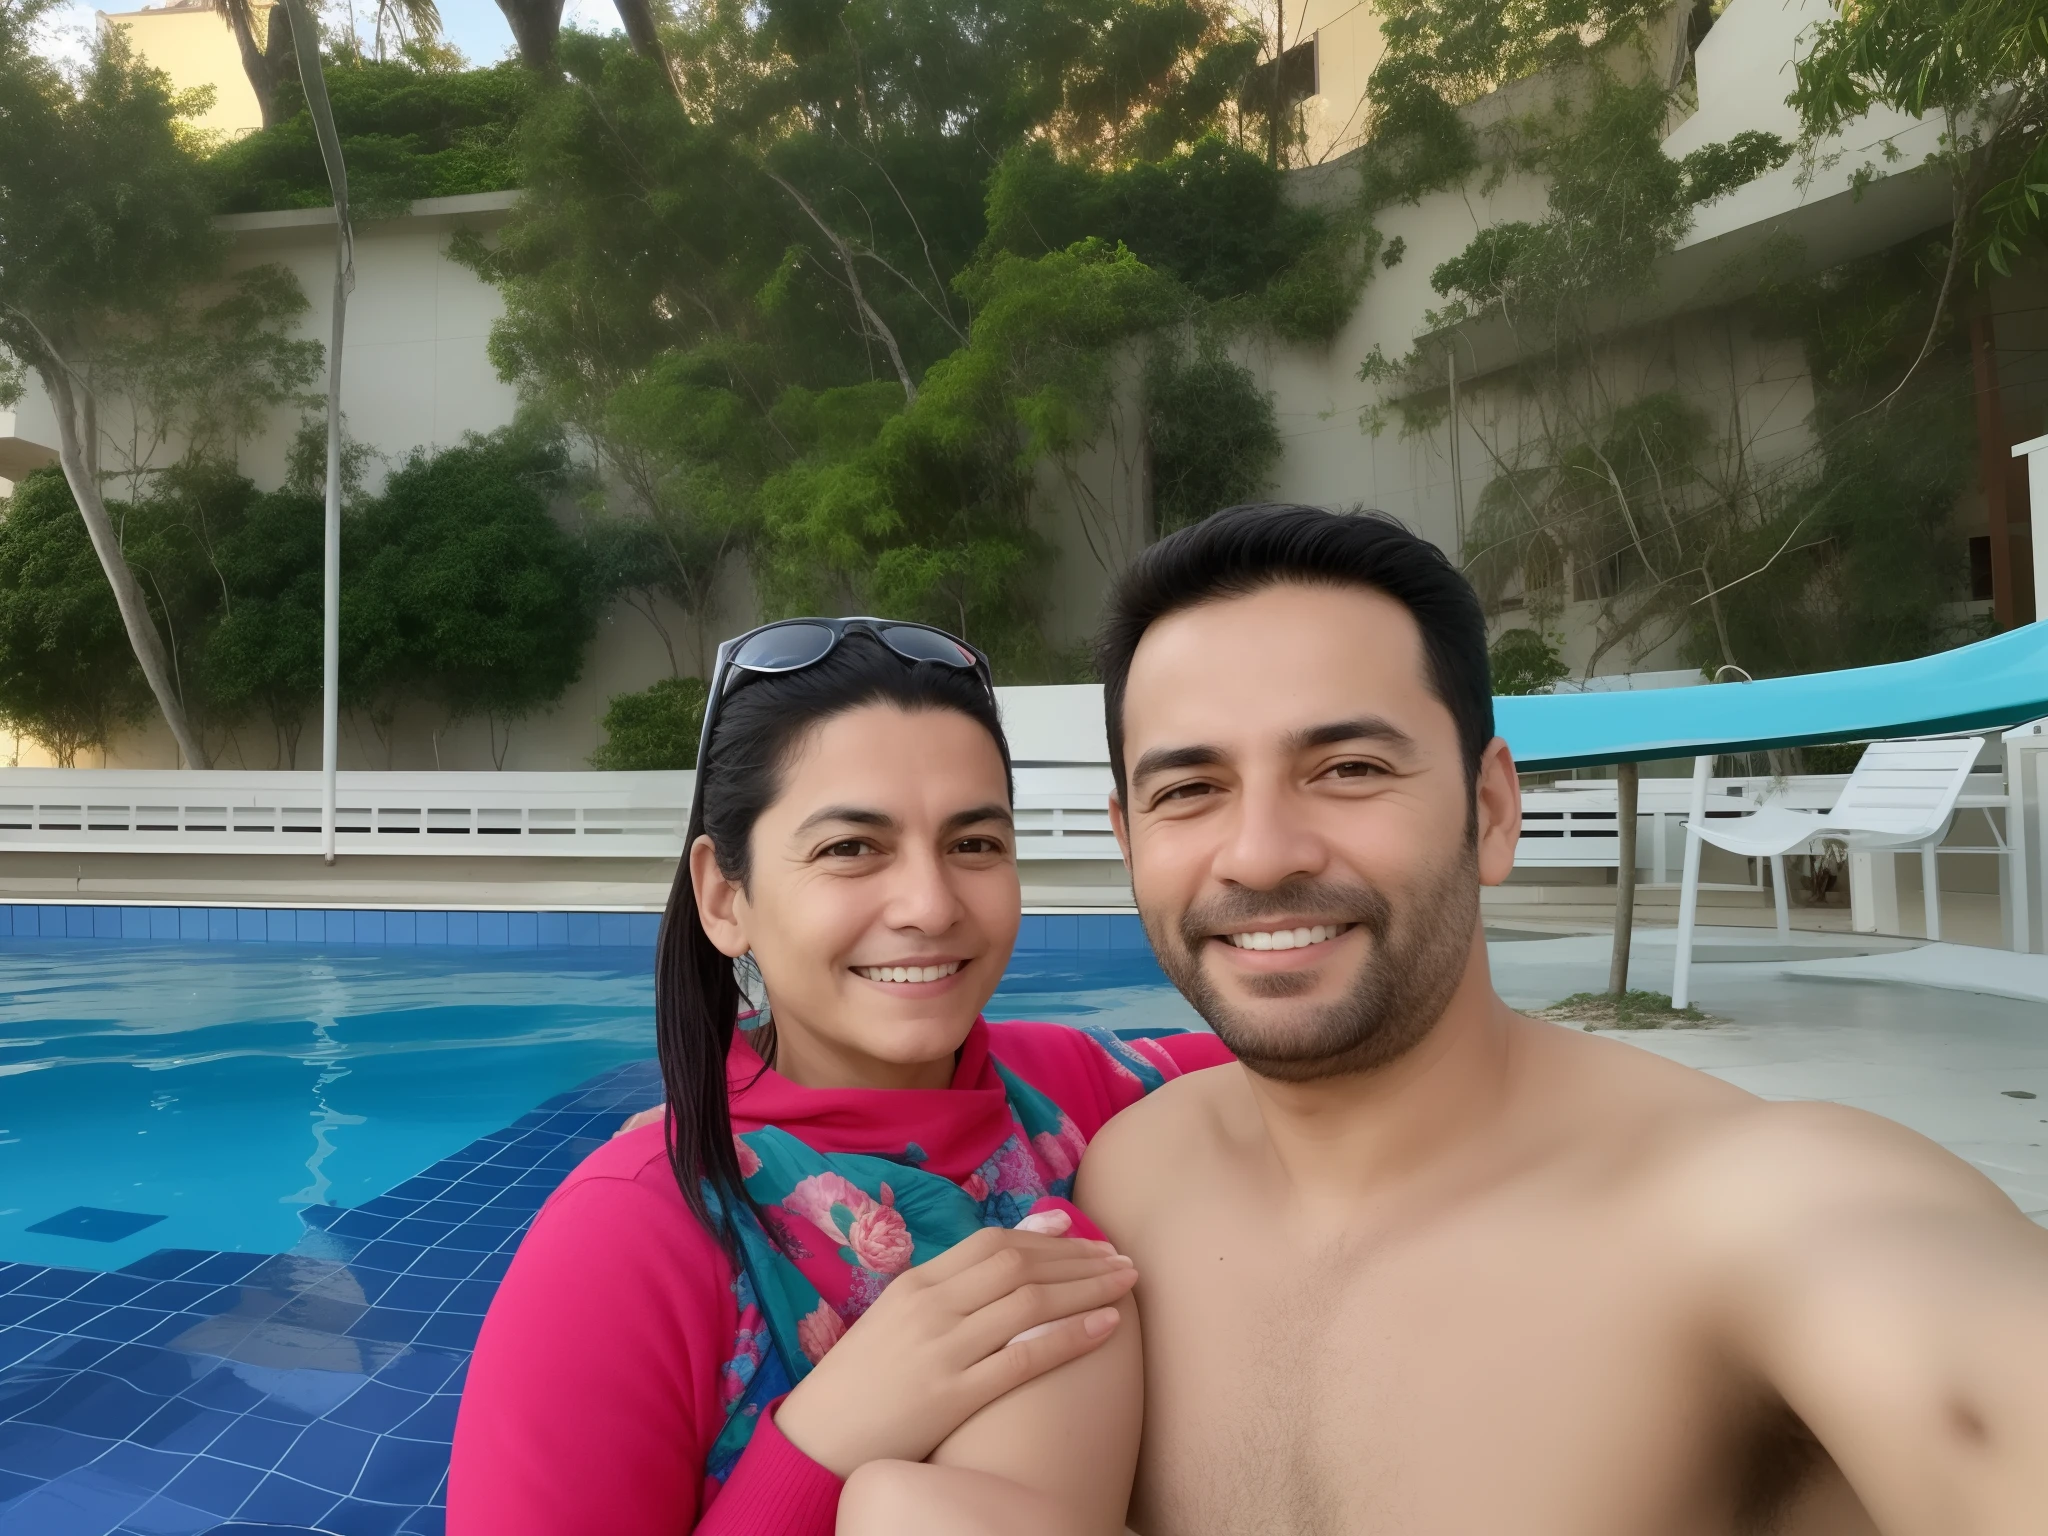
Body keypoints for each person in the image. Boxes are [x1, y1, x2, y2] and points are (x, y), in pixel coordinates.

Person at [1069, 504, 2048, 1534]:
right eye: (1188, 788)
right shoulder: (1124, 1183)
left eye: (1348, 769)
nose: (1260, 854)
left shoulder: (1743, 1213)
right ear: (1127, 839)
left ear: (1490, 811)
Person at [449, 619, 1230, 1536]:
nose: (931, 905)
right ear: (724, 896)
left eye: (974, 844)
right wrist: (829, 1437)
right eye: (850, 848)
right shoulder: (628, 1240)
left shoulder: (1073, 1091)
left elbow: (1335, 1059)